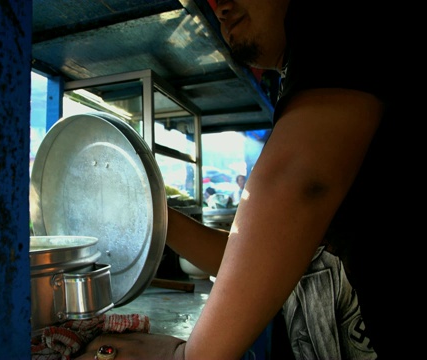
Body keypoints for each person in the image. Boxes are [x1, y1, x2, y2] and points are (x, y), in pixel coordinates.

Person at [75, 1, 410, 359]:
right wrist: (150, 215)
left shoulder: (339, 24)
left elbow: (298, 183)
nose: (219, 6)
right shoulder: (306, 84)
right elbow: (256, 254)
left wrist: (189, 356)